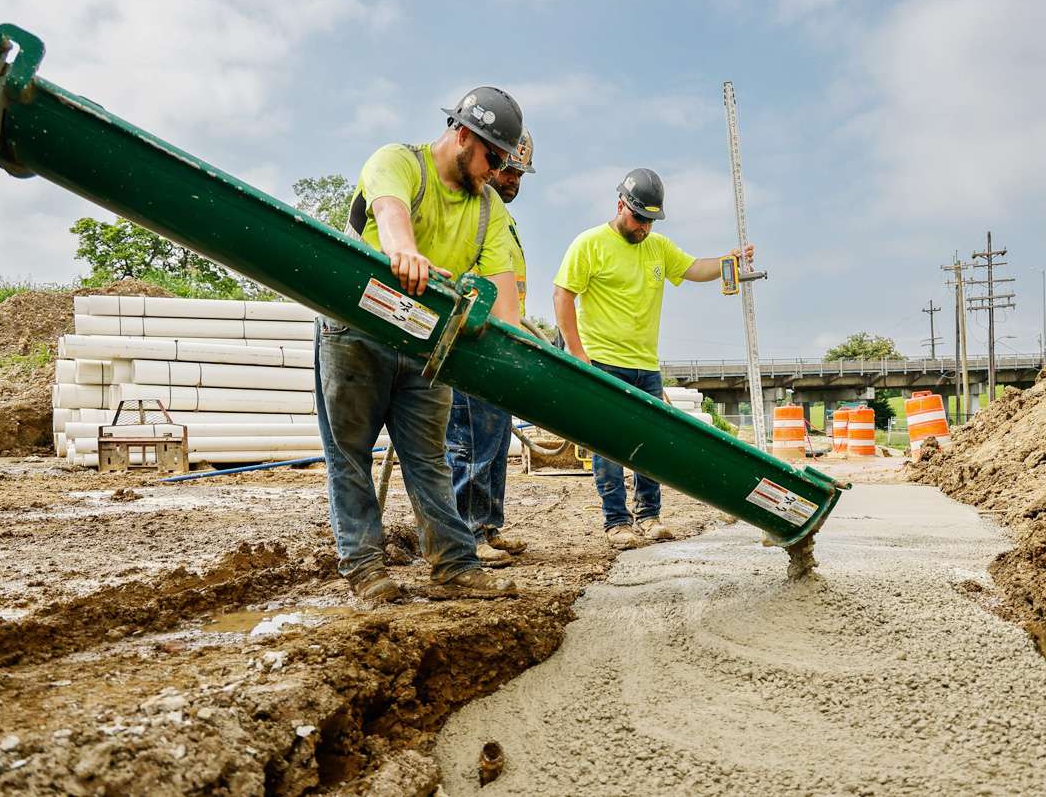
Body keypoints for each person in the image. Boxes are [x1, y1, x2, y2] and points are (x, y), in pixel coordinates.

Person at [317, 87, 526, 601]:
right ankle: (365, 568)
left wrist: (525, 353)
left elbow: (503, 296)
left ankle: (455, 565)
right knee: (350, 453)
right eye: (492, 157)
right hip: (357, 327)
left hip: (427, 343)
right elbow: (390, 216)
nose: (496, 170)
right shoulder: (398, 162)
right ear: (462, 135)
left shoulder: (488, 209)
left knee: (429, 457)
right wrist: (406, 254)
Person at [552, 168, 753, 550]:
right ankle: (616, 522)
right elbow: (563, 295)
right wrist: (578, 356)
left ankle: (649, 516)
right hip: (603, 363)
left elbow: (694, 269)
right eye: (638, 217)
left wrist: (731, 260)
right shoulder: (590, 244)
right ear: (620, 205)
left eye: (650, 220)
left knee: (651, 442)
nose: (643, 227)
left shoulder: (658, 247)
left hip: (646, 366)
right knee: (609, 444)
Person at [445, 127, 536, 568]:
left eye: (520, 172)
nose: (514, 178)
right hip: (474, 340)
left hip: (501, 342)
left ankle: (486, 525)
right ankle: (466, 532)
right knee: (467, 439)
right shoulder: (474, 210)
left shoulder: (502, 217)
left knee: (495, 439)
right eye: (509, 168)